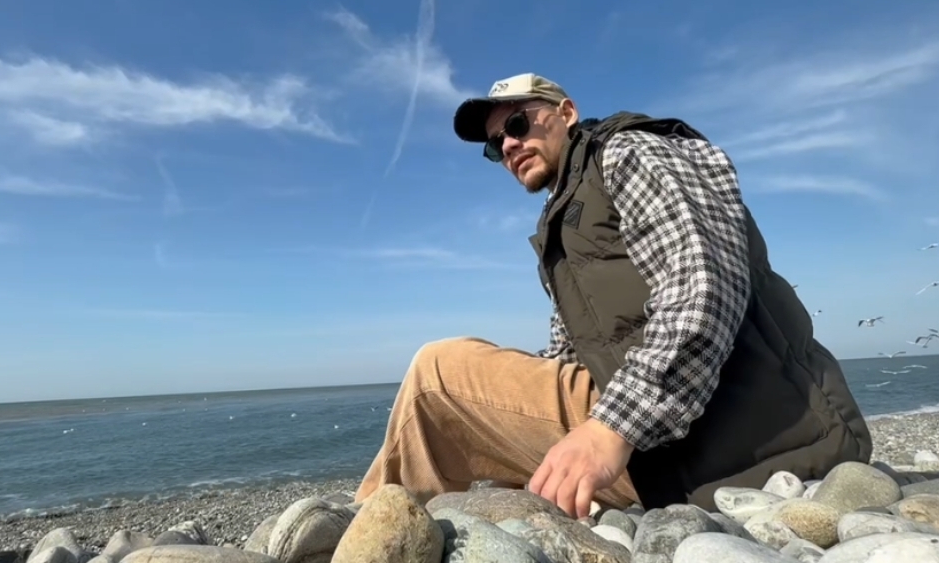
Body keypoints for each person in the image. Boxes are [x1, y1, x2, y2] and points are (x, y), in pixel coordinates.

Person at [352, 72, 873, 518]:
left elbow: (703, 284)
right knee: (470, 412)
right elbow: (566, 356)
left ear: (566, 113)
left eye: (517, 125)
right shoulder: (562, 222)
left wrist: (611, 430)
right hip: (670, 433)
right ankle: (408, 527)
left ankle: (369, 532)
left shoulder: (626, 153)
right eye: (495, 145)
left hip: (749, 430)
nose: (507, 146)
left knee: (436, 376)